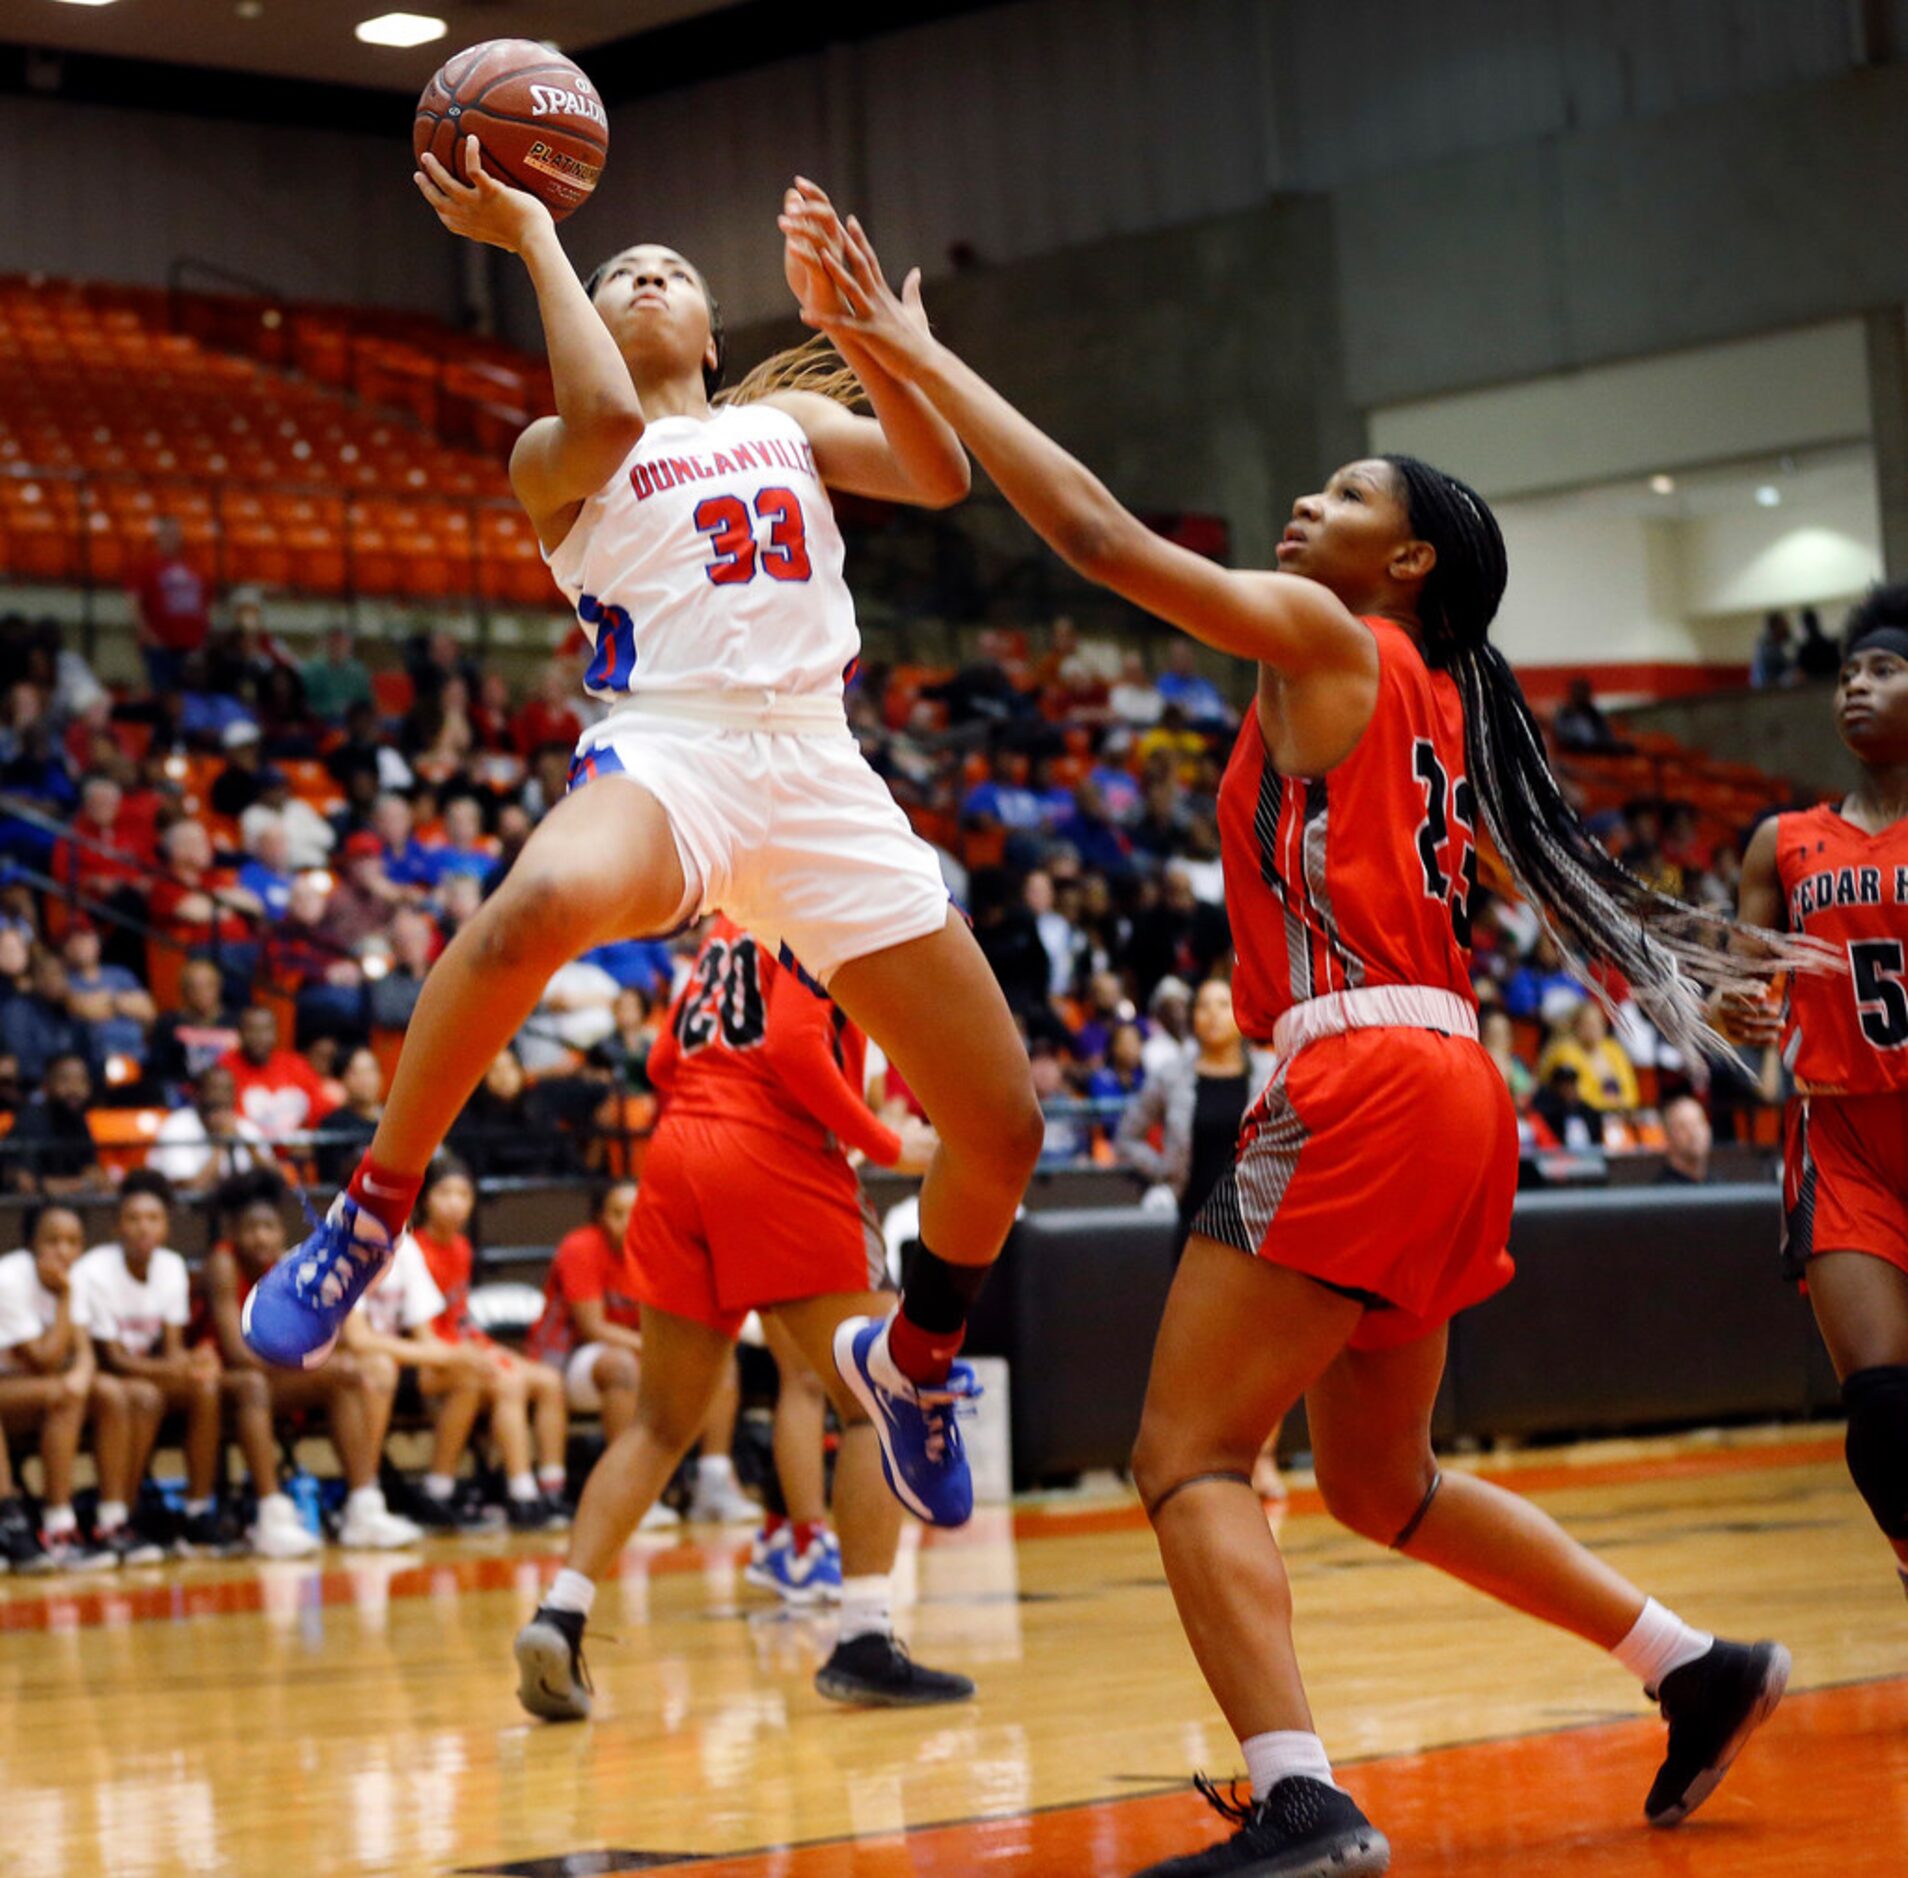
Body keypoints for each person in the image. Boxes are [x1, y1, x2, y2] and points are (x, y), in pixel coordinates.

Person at [799, 206, 1814, 1870]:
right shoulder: (1426, 695)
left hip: (1349, 1080)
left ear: (1400, 561)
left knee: (1184, 1448)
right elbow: (1520, 887)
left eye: (1346, 496)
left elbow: (1103, 539)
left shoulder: (1335, 639)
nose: (1307, 502)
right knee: (1379, 1480)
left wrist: (921, 359)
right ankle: (1690, 1664)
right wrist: (1686, 985)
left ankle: (1300, 1794)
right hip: (1449, 1083)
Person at [243, 165, 1041, 1557]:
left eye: (672, 270)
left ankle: (911, 1359)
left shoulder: (782, 421)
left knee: (1004, 1129)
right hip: (673, 746)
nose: (651, 278)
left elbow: (935, 471)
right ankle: (368, 1210)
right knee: (537, 901)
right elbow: (606, 405)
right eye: (623, 276)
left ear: (717, 336)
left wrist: (861, 332)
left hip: (818, 759)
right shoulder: (558, 450)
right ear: (587, 321)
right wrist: (538, 230)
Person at [512, 915, 964, 1718]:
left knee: (658, 1425)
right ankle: (864, 1637)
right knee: (882, 1398)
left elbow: (658, 1058)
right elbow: (793, 1044)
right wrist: (888, 1145)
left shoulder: (729, 924)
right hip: (771, 1158)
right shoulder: (817, 898)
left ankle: (562, 1609)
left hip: (677, 1152)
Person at [1713, 585, 1908, 1600]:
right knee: (1882, 1414)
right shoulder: (1781, 841)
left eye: (1882, 670)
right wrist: (1733, 1007)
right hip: (1842, 1138)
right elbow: (1737, 983)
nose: (1857, 690)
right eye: (1845, 676)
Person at [71, 1171, 319, 1558]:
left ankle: (196, 1512)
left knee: (200, 1386)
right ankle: (120, 1516)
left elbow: (171, 1348)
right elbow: (114, 1359)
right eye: (134, 1219)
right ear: (117, 1225)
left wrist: (185, 1366)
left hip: (165, 1372)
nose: (143, 1228)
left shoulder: (169, 1266)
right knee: (149, 1394)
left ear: (168, 1226)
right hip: (113, 1376)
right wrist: (185, 1365)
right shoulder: (96, 1271)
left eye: (153, 1219)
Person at [203, 1173, 421, 1550]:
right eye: (251, 1229)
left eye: (269, 1227)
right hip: (225, 1378)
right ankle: (271, 1516)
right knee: (256, 1385)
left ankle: (363, 1509)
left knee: (347, 1376)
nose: (261, 1237)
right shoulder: (223, 1263)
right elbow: (237, 1352)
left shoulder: (290, 1263)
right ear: (234, 1232)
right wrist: (305, 1362)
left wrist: (319, 1362)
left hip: (272, 1374)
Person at [408, 1158, 570, 1530]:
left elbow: (461, 1319)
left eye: (463, 1194)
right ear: (424, 1200)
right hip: (428, 1359)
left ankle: (552, 1488)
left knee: (547, 1379)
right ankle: (521, 1493)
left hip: (460, 1348)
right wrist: (483, 1355)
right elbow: (426, 1330)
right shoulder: (415, 1249)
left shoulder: (462, 1248)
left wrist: (489, 1347)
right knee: (509, 1380)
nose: (454, 1202)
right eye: (444, 1193)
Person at [0, 1203, 117, 1571]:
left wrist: (81, 1375)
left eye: (72, 1241)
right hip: (16, 1384)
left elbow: (83, 1351)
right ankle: (13, 1522)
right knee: (62, 1393)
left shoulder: (72, 1277)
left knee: (98, 1394)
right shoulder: (10, 1277)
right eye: (53, 1241)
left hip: (23, 1388)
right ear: (33, 1243)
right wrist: (65, 1298)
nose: (63, 1250)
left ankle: (86, 1523)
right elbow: (45, 1358)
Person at [148, 1062, 276, 1191]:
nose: (220, 1097)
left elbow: (277, 1181)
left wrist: (250, 1147)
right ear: (197, 1093)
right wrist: (221, 1145)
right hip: (191, 1209)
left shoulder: (245, 1128)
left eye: (227, 1090)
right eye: (213, 1088)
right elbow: (190, 1190)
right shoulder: (177, 1127)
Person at [3, 1052, 108, 1197]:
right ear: (46, 1085)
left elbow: (92, 1171)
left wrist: (92, 1179)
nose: (74, 1089)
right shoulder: (31, 1120)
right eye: (65, 1080)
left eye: (81, 1080)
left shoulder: (79, 1120)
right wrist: (79, 1184)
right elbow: (28, 1182)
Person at [1657, 1096, 1713, 1185]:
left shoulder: (1719, 1186)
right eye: (1683, 1127)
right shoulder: (1661, 1193)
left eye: (1699, 1123)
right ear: (1668, 1137)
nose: (1694, 1133)